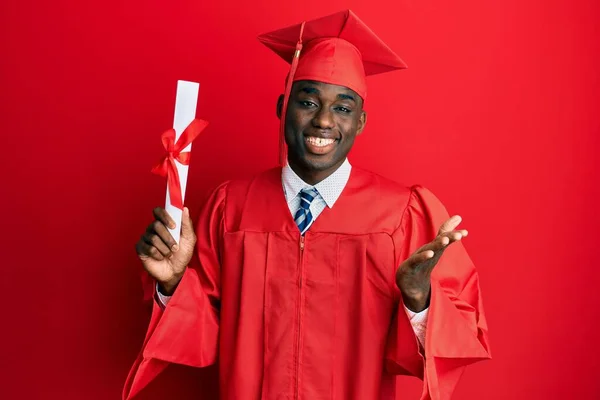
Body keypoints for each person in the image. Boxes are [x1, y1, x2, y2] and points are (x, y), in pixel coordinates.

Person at [123, 9, 490, 400]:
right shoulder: (231, 208)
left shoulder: (402, 215)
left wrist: (420, 298)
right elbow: (204, 338)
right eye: (309, 102)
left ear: (361, 121)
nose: (324, 121)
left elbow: (461, 336)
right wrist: (173, 282)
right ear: (283, 108)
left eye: (343, 108)